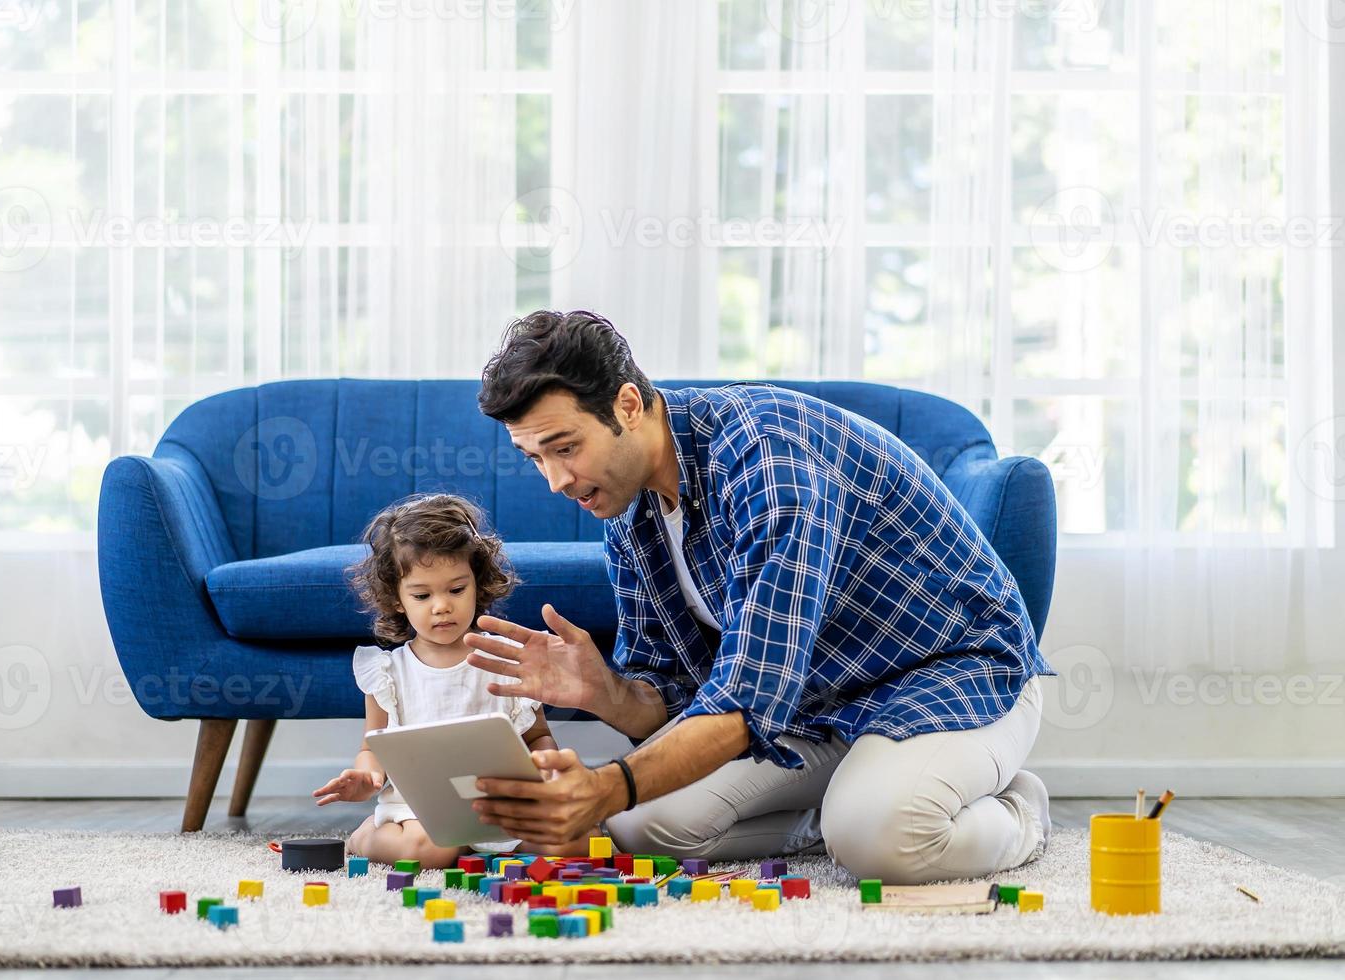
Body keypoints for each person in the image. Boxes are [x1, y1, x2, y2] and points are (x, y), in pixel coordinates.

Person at [461, 309, 1055, 884]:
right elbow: (675, 697)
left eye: (565, 448)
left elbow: (745, 703)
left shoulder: (766, 459)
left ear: (628, 405)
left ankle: (1018, 811)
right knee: (643, 825)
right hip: (813, 706)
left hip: (952, 676)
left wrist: (604, 786)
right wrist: (605, 692)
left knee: (879, 839)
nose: (557, 481)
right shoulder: (627, 507)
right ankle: (852, 807)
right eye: (535, 457)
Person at [311, 492, 593, 867]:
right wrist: (366, 777)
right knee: (433, 850)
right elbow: (373, 747)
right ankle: (367, 837)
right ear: (397, 599)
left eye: (456, 590)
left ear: (478, 583)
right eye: (422, 594)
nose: (441, 605)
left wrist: (546, 762)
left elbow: (537, 734)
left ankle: (481, 848)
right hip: (420, 809)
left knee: (581, 842)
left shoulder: (506, 657)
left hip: (504, 801)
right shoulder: (387, 673)